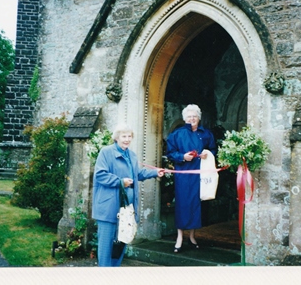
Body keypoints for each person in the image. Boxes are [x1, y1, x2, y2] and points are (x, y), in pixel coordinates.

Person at [92, 124, 165, 267]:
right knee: (106, 247)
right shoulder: (106, 152)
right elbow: (100, 175)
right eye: (123, 136)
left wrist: (155, 172)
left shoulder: (131, 155)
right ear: (117, 138)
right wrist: (120, 181)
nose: (127, 139)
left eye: (129, 136)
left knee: (120, 245)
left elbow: (137, 174)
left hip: (126, 210)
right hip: (109, 209)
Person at [166, 104, 217, 253]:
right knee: (183, 204)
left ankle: (193, 236)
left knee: (197, 205)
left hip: (201, 174)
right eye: (189, 116)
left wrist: (207, 154)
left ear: (199, 118)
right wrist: (183, 156)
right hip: (183, 174)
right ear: (184, 119)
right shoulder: (177, 134)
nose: (192, 119)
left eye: (194, 116)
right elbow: (170, 153)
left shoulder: (206, 134)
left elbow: (213, 149)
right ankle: (180, 237)